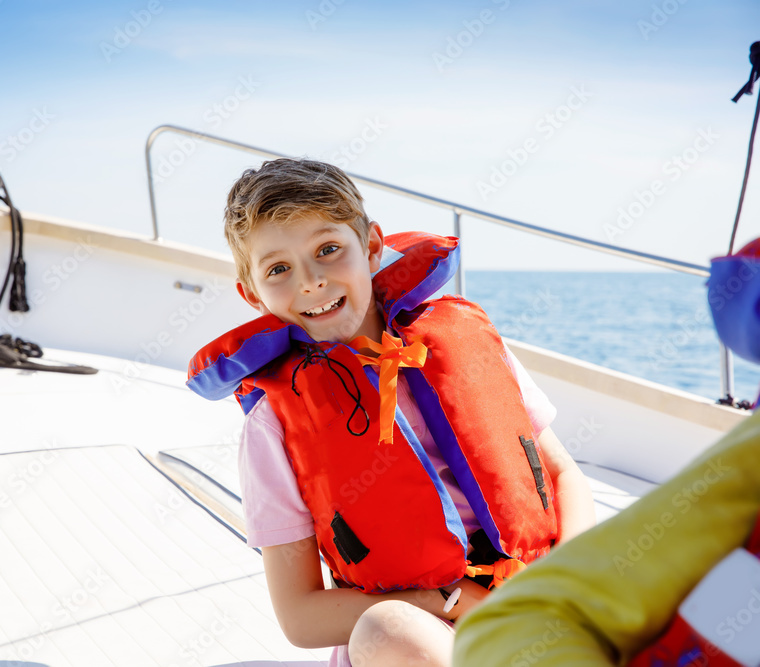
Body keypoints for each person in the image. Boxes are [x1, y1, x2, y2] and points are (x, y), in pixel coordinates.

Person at [186, 158, 596, 666]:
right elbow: (299, 616)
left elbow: (563, 474)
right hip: (423, 635)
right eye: (279, 269)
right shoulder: (274, 422)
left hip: (543, 596)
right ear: (252, 293)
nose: (311, 281)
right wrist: (446, 601)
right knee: (388, 631)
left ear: (372, 246)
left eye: (328, 250)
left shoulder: (462, 341)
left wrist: (566, 578)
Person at [452, 238, 760, 667]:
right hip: (456, 604)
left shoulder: (463, 342)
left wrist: (548, 576)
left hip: (518, 596)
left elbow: (563, 471)